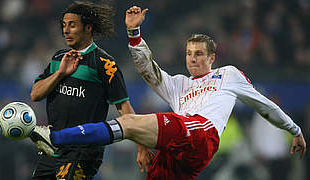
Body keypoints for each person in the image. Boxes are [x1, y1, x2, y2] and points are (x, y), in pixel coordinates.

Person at [32, 6, 307, 180]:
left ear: (213, 58)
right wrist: (134, 34)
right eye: (189, 54)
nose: (193, 59)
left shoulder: (229, 75)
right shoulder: (179, 84)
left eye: (199, 54)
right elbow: (148, 70)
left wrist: (294, 129)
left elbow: (263, 105)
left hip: (201, 134)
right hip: (179, 151)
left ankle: (53, 137)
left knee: (128, 122)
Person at [29, 1, 144, 180]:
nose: (66, 30)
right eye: (64, 25)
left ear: (88, 28)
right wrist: (59, 74)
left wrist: (141, 146)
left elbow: (124, 109)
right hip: (52, 149)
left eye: (72, 25)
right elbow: (35, 94)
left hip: (83, 152)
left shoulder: (105, 64)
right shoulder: (59, 58)